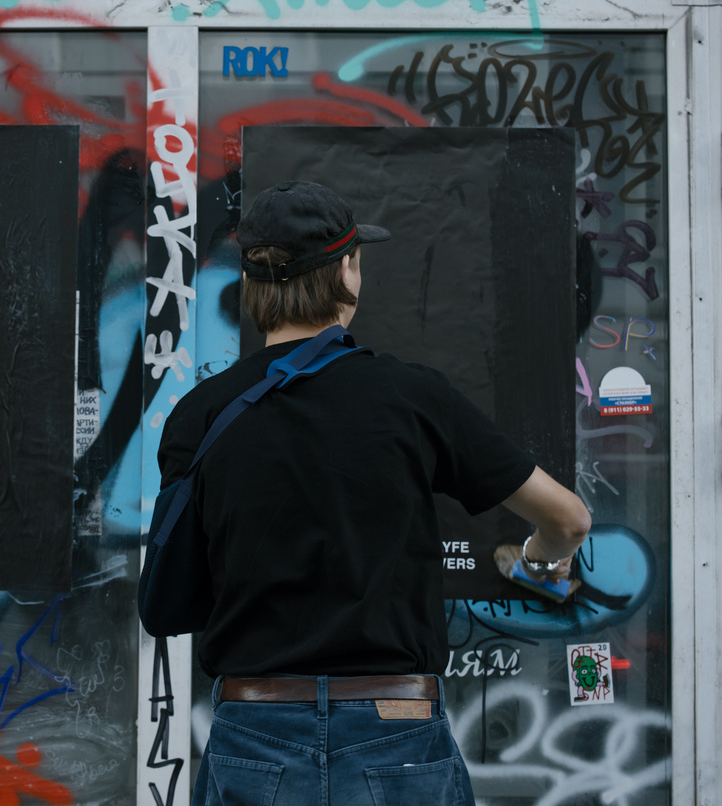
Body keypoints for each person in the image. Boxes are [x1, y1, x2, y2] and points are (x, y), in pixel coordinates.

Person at [156, 180, 591, 806]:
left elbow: (178, 591)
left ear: (252, 285)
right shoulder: (413, 398)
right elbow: (569, 519)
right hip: (397, 732)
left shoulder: (200, 415)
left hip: (255, 732)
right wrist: (540, 563)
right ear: (348, 272)